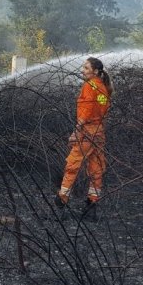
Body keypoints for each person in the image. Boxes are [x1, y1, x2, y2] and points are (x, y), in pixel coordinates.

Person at [55, 57, 112, 220]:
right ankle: (91, 206)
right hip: (99, 132)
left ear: (95, 71)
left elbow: (86, 111)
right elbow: (102, 110)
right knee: (96, 169)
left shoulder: (89, 86)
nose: (82, 70)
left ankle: (61, 203)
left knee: (72, 166)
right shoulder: (102, 87)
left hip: (87, 132)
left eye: (86, 68)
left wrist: (76, 131)